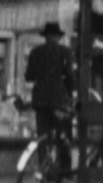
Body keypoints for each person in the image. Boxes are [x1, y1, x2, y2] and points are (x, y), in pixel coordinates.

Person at [23, 22, 75, 166]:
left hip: (41, 100)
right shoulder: (65, 52)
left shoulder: (35, 52)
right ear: (58, 37)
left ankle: (44, 167)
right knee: (63, 136)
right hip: (60, 101)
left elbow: (29, 76)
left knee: (43, 137)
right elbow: (70, 76)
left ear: (45, 37)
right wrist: (71, 93)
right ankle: (64, 169)